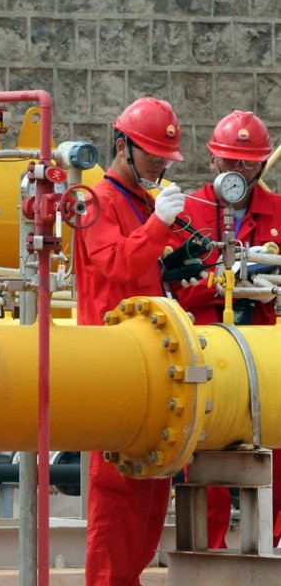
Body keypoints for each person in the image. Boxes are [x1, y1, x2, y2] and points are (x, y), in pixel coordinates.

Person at [74, 96, 185, 586]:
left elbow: (149, 268)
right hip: (114, 361)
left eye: (165, 158)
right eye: (154, 155)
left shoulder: (141, 201)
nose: (160, 164)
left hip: (149, 361)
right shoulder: (97, 201)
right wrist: (159, 225)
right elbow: (116, 262)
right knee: (117, 491)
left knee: (151, 490)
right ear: (122, 146)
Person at [168, 110, 281, 549]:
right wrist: (220, 282)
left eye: (249, 163)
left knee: (276, 451)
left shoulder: (277, 212)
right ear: (211, 158)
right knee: (205, 452)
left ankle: (275, 545)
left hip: (265, 350)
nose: (239, 170)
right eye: (230, 160)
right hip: (207, 349)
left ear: (262, 164)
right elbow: (173, 284)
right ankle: (207, 550)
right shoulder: (187, 211)